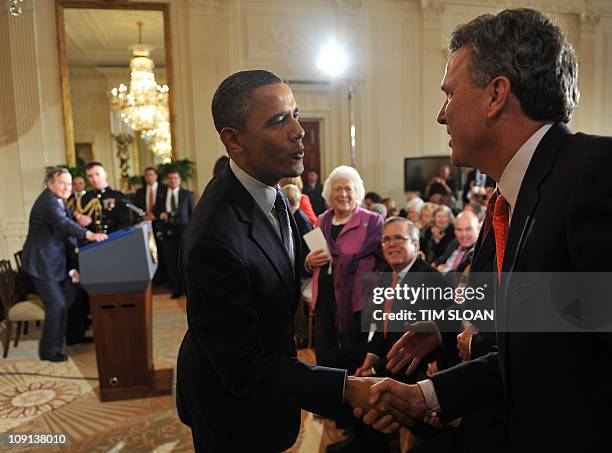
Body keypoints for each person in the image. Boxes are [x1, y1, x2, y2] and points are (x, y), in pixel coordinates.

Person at [357, 8, 612, 452]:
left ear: (496, 94)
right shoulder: (509, 199)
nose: (441, 115)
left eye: (449, 94)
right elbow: (540, 332)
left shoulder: (596, 173)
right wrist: (425, 392)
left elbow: (594, 314)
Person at [175, 70, 376, 452]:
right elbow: (244, 369)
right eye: (278, 121)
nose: (299, 130)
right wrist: (346, 388)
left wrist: (302, 265)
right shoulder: (213, 240)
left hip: (271, 384)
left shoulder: (271, 189)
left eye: (296, 114)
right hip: (232, 410)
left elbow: (276, 257)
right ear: (234, 141)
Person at [21, 168, 106, 362]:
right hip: (41, 263)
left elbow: (67, 229)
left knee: (73, 295)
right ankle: (49, 350)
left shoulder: (59, 201)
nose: (67, 188)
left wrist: (75, 261)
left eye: (69, 184)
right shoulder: (49, 202)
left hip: (55, 261)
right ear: (51, 184)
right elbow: (64, 225)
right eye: (62, 183)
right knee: (57, 305)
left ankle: (73, 335)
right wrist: (90, 235)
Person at [305, 165, 384, 373]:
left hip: (357, 298)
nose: (343, 194)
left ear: (357, 192)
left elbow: (384, 260)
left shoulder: (372, 221)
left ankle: (355, 394)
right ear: (330, 193)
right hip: (325, 295)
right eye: (337, 189)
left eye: (348, 189)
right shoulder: (322, 220)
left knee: (354, 352)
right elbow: (314, 253)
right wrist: (310, 260)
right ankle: (331, 393)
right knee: (324, 351)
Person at [155, 168, 195, 298]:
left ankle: (189, 289)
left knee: (186, 262)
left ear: (179, 180)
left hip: (184, 233)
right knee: (171, 263)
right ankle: (177, 288)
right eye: (170, 178)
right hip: (167, 234)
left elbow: (193, 215)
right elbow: (156, 212)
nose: (172, 181)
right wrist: (160, 215)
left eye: (175, 178)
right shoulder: (161, 195)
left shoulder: (187, 194)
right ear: (167, 180)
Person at [77, 162, 132, 234]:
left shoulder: (119, 197)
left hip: (115, 239)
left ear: (105, 174)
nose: (94, 179)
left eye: (97, 174)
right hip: (92, 241)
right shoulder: (85, 198)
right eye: (90, 176)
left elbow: (125, 225)